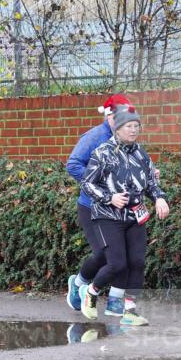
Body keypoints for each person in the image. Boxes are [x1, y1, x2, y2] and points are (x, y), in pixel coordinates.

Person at [78, 105, 169, 326]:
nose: (133, 130)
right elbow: (87, 183)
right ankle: (91, 292)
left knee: (137, 262)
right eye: (128, 126)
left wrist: (159, 197)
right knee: (117, 264)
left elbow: (150, 182)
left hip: (134, 216)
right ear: (117, 129)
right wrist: (109, 198)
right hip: (107, 216)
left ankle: (129, 311)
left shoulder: (141, 154)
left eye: (136, 126)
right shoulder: (102, 152)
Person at [65, 94, 137, 318]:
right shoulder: (95, 137)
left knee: (120, 256)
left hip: (118, 208)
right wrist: (100, 184)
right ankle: (78, 284)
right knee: (104, 254)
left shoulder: (125, 137)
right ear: (110, 116)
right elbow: (73, 164)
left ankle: (114, 306)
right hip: (92, 207)